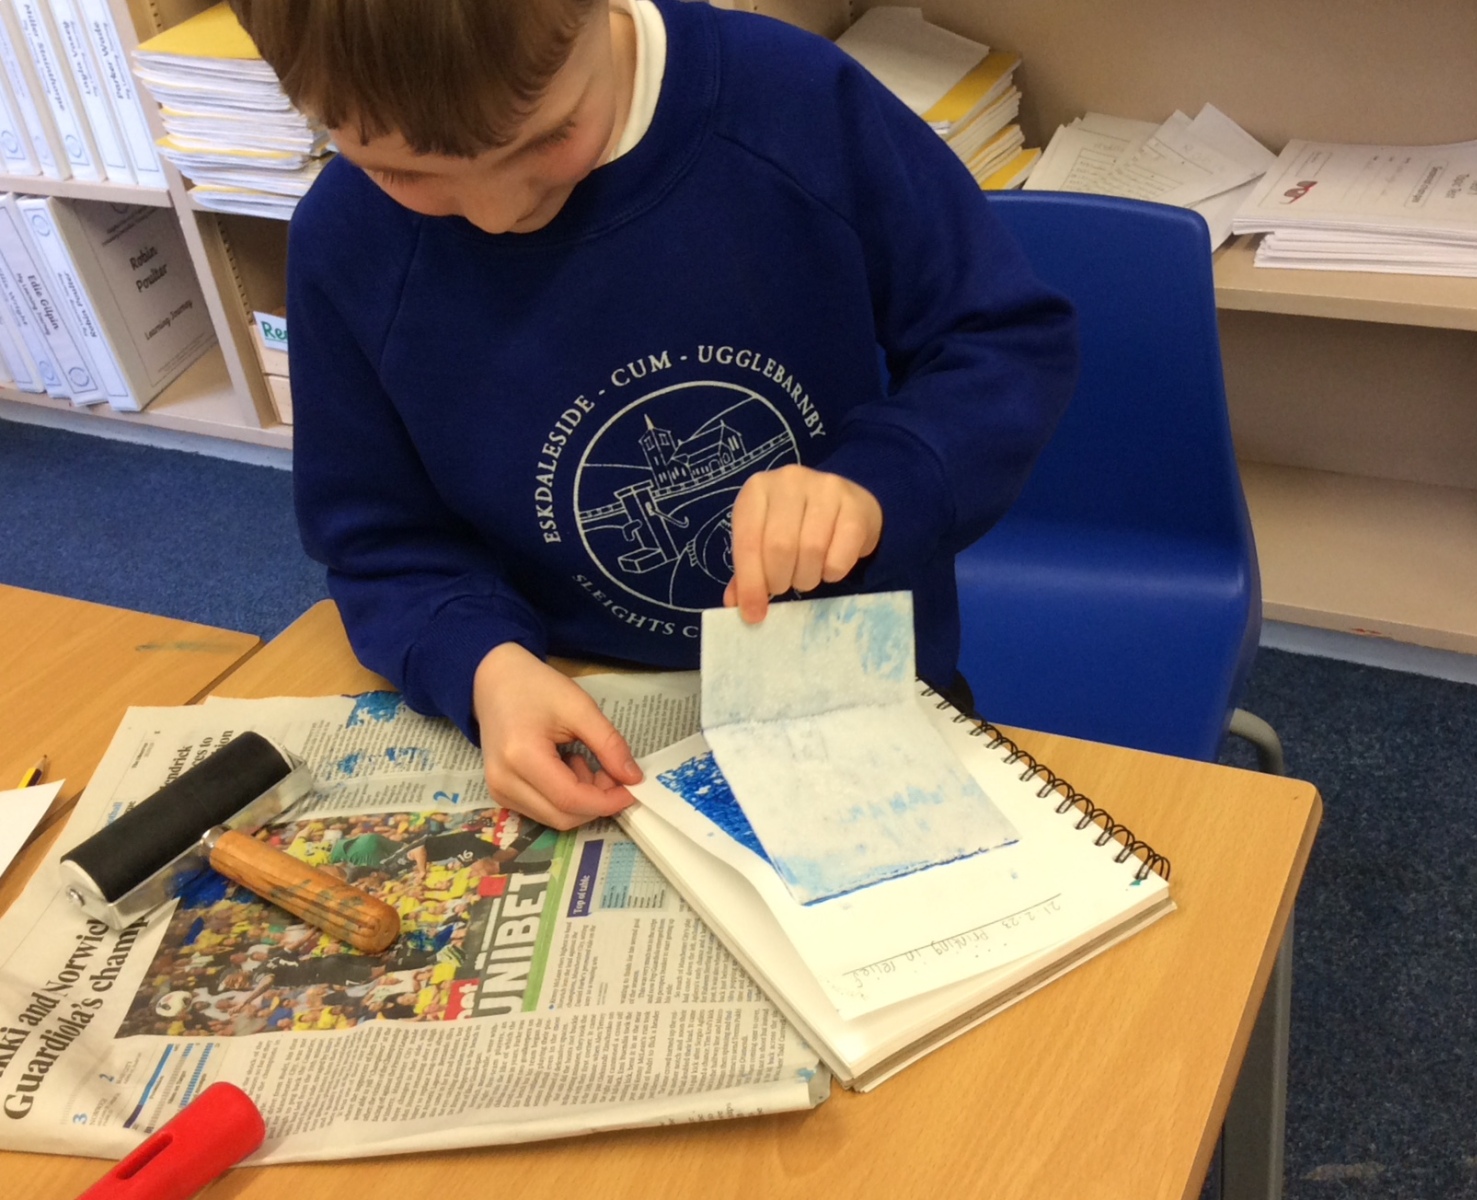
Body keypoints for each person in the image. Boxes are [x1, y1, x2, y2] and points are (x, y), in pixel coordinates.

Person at [231, 0, 1076, 833]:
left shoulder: (795, 103)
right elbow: (380, 544)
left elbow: (1002, 340)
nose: (496, 213)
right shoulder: (347, 241)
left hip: (850, 691)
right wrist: (482, 668)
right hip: (574, 716)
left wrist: (876, 482)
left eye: (545, 139)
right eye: (404, 174)